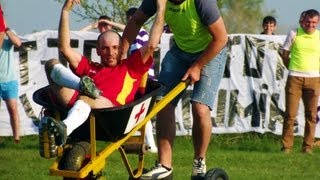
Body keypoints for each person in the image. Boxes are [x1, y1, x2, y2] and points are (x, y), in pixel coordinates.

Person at [122, 0, 228, 179]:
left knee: (200, 108)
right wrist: (122, 54)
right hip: (180, 51)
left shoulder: (202, 2)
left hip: (211, 51)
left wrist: (197, 66)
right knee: (162, 103)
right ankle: (165, 166)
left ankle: (199, 163)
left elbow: (221, 38)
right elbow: (135, 21)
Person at [43, 0, 165, 146]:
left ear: (121, 49)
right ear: (98, 50)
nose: (111, 53)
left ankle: (65, 127)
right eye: (105, 48)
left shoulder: (132, 66)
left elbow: (151, 45)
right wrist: (65, 12)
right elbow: (65, 49)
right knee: (51, 65)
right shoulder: (91, 68)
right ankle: (80, 86)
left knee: (85, 97)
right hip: (82, 105)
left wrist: (161, 9)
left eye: (115, 47)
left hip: (113, 113)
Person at [93, 7, 157, 152]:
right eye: (129, 19)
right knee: (138, 108)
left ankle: (150, 144)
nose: (130, 22)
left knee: (141, 108)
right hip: (133, 73)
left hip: (143, 74)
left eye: (133, 19)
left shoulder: (141, 32)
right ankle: (145, 141)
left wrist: (111, 23)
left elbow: (147, 45)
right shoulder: (129, 36)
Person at [281, 9, 320, 154]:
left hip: (314, 79)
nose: (310, 25)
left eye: (314, 22)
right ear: (303, 21)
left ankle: (307, 147)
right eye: (308, 22)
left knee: (311, 116)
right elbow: (284, 53)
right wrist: (291, 67)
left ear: (318, 22)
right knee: (290, 114)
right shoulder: (294, 33)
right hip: (294, 78)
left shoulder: (319, 37)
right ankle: (286, 147)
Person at [0, 16, 22, 144]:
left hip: (9, 80)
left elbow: (18, 43)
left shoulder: (9, 34)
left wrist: (6, 29)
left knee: (13, 109)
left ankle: (16, 138)